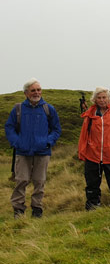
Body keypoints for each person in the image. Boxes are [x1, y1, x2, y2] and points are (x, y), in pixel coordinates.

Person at [5, 78, 62, 218]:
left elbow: (56, 129)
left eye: (38, 90)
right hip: (22, 152)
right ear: (26, 93)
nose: (37, 93)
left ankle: (37, 209)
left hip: (42, 152)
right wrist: (17, 142)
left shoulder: (48, 109)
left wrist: (48, 142)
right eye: (33, 90)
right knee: (21, 180)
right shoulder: (18, 109)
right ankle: (18, 210)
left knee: (39, 181)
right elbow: (9, 128)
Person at [78, 87, 110, 210]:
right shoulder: (90, 115)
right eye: (99, 98)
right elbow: (84, 135)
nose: (102, 100)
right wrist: (82, 152)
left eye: (104, 97)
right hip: (93, 156)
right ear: (95, 100)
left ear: (109, 99)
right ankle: (92, 207)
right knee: (92, 184)